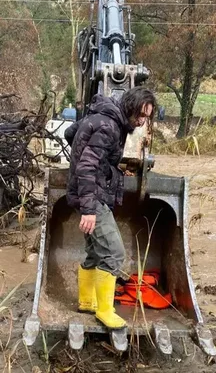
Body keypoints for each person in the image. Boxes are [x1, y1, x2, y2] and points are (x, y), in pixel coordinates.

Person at [64, 86, 157, 330]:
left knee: (95, 251)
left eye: (147, 117)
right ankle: (105, 311)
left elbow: (69, 133)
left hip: (86, 192)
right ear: (129, 107)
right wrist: (89, 210)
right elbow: (86, 167)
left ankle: (87, 301)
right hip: (91, 197)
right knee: (114, 253)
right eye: (141, 115)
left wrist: (108, 166)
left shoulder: (99, 116)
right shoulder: (109, 126)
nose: (142, 121)